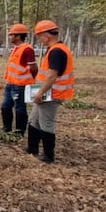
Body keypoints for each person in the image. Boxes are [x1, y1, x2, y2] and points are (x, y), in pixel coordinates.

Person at [27, 20, 74, 163]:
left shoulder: (57, 51)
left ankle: (48, 155)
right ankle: (32, 147)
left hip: (51, 94)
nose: (39, 40)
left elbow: (52, 75)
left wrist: (40, 92)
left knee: (46, 122)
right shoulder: (54, 49)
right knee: (34, 119)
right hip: (45, 92)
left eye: (39, 36)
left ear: (46, 35)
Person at [1, 23, 37, 135]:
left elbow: (34, 68)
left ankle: (19, 131)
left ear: (18, 36)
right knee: (5, 106)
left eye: (11, 35)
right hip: (11, 83)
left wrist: (31, 79)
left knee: (20, 108)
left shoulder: (27, 50)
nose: (10, 37)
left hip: (20, 85)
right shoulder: (16, 48)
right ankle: (7, 128)